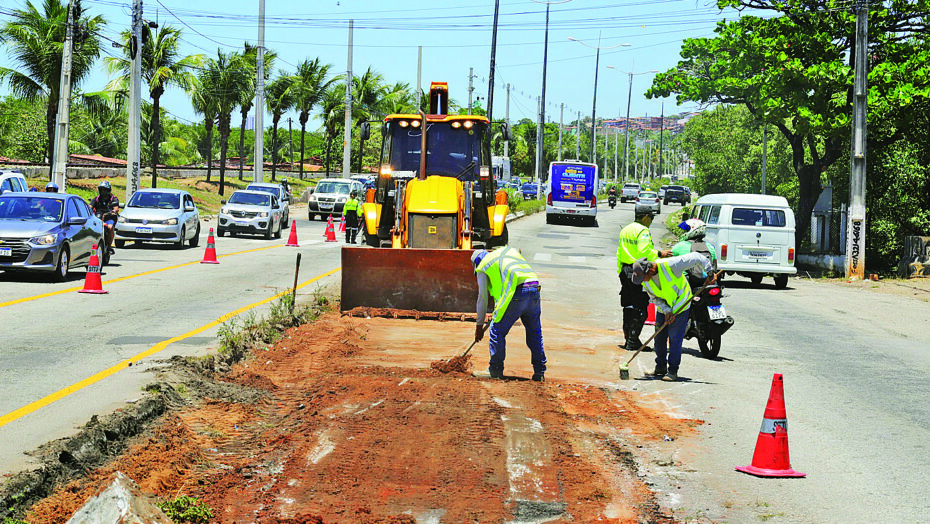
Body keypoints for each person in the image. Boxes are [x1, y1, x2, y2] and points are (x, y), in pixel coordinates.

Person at [631, 253, 715, 382]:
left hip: (681, 304)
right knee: (659, 338)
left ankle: (672, 371)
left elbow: (697, 257)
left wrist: (710, 272)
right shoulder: (645, 281)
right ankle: (660, 367)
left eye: (644, 277)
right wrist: (666, 311)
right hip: (664, 307)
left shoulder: (671, 265)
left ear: (651, 270)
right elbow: (654, 297)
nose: (643, 280)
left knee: (674, 338)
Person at [472, 247, 547, 382]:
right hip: (534, 289)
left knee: (497, 331)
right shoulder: (502, 255)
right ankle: (539, 372)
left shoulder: (483, 266)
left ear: (476, 263)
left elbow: (482, 298)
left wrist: (479, 326)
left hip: (517, 293)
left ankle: (495, 370)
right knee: (535, 332)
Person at [616, 207, 671, 351]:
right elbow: (644, 251)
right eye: (651, 218)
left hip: (625, 270)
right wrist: (660, 253)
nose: (651, 222)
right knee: (641, 306)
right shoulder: (643, 231)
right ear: (646, 216)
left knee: (628, 305)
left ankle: (628, 338)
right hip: (637, 271)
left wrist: (620, 271)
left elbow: (619, 252)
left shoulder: (626, 229)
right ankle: (633, 341)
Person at [672, 218, 717, 286]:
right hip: (708, 280)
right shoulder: (710, 247)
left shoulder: (679, 246)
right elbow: (714, 265)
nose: (684, 232)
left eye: (686, 230)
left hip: (687, 282)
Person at [90, 181, 119, 254]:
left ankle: (109, 247)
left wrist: (114, 211)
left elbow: (116, 208)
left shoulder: (113, 199)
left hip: (109, 218)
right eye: (101, 189)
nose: (103, 192)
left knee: (110, 227)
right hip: (98, 218)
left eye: (104, 190)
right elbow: (90, 206)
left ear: (108, 190)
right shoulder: (96, 199)